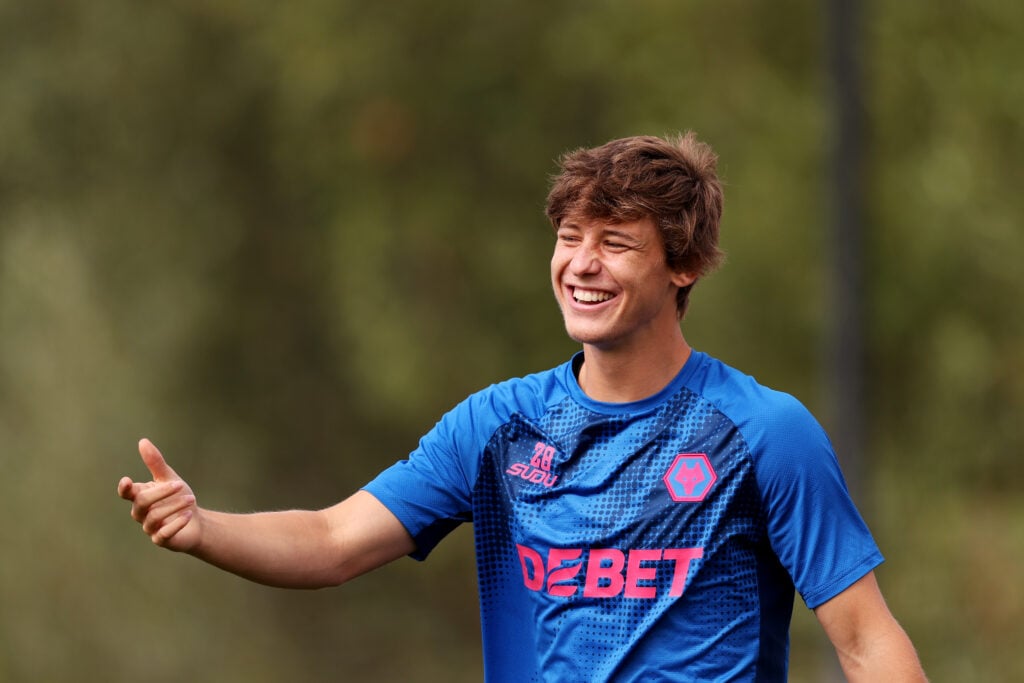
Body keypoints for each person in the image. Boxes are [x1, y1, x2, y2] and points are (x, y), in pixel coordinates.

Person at [118, 132, 927, 681]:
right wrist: (204, 528)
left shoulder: (762, 432)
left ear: (683, 266)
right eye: (570, 236)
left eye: (616, 242)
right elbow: (332, 538)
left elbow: (864, 639)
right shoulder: (498, 428)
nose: (582, 264)